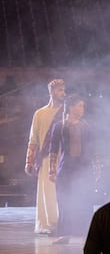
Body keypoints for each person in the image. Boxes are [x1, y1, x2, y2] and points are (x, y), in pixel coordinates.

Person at [47, 93, 96, 244]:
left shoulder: (86, 126)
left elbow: (92, 149)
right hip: (67, 167)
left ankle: (86, 233)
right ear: (72, 107)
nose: (82, 109)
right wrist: (52, 169)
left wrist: (96, 168)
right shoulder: (59, 126)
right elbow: (53, 150)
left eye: (83, 106)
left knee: (85, 200)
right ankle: (64, 233)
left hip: (83, 167)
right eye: (80, 106)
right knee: (64, 200)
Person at [25, 78, 65, 235]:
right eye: (60, 90)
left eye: (63, 89)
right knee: (47, 193)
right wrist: (29, 160)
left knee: (60, 192)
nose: (63, 93)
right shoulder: (39, 113)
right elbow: (33, 139)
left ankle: (62, 222)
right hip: (45, 158)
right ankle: (48, 224)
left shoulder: (65, 112)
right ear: (52, 92)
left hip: (62, 158)